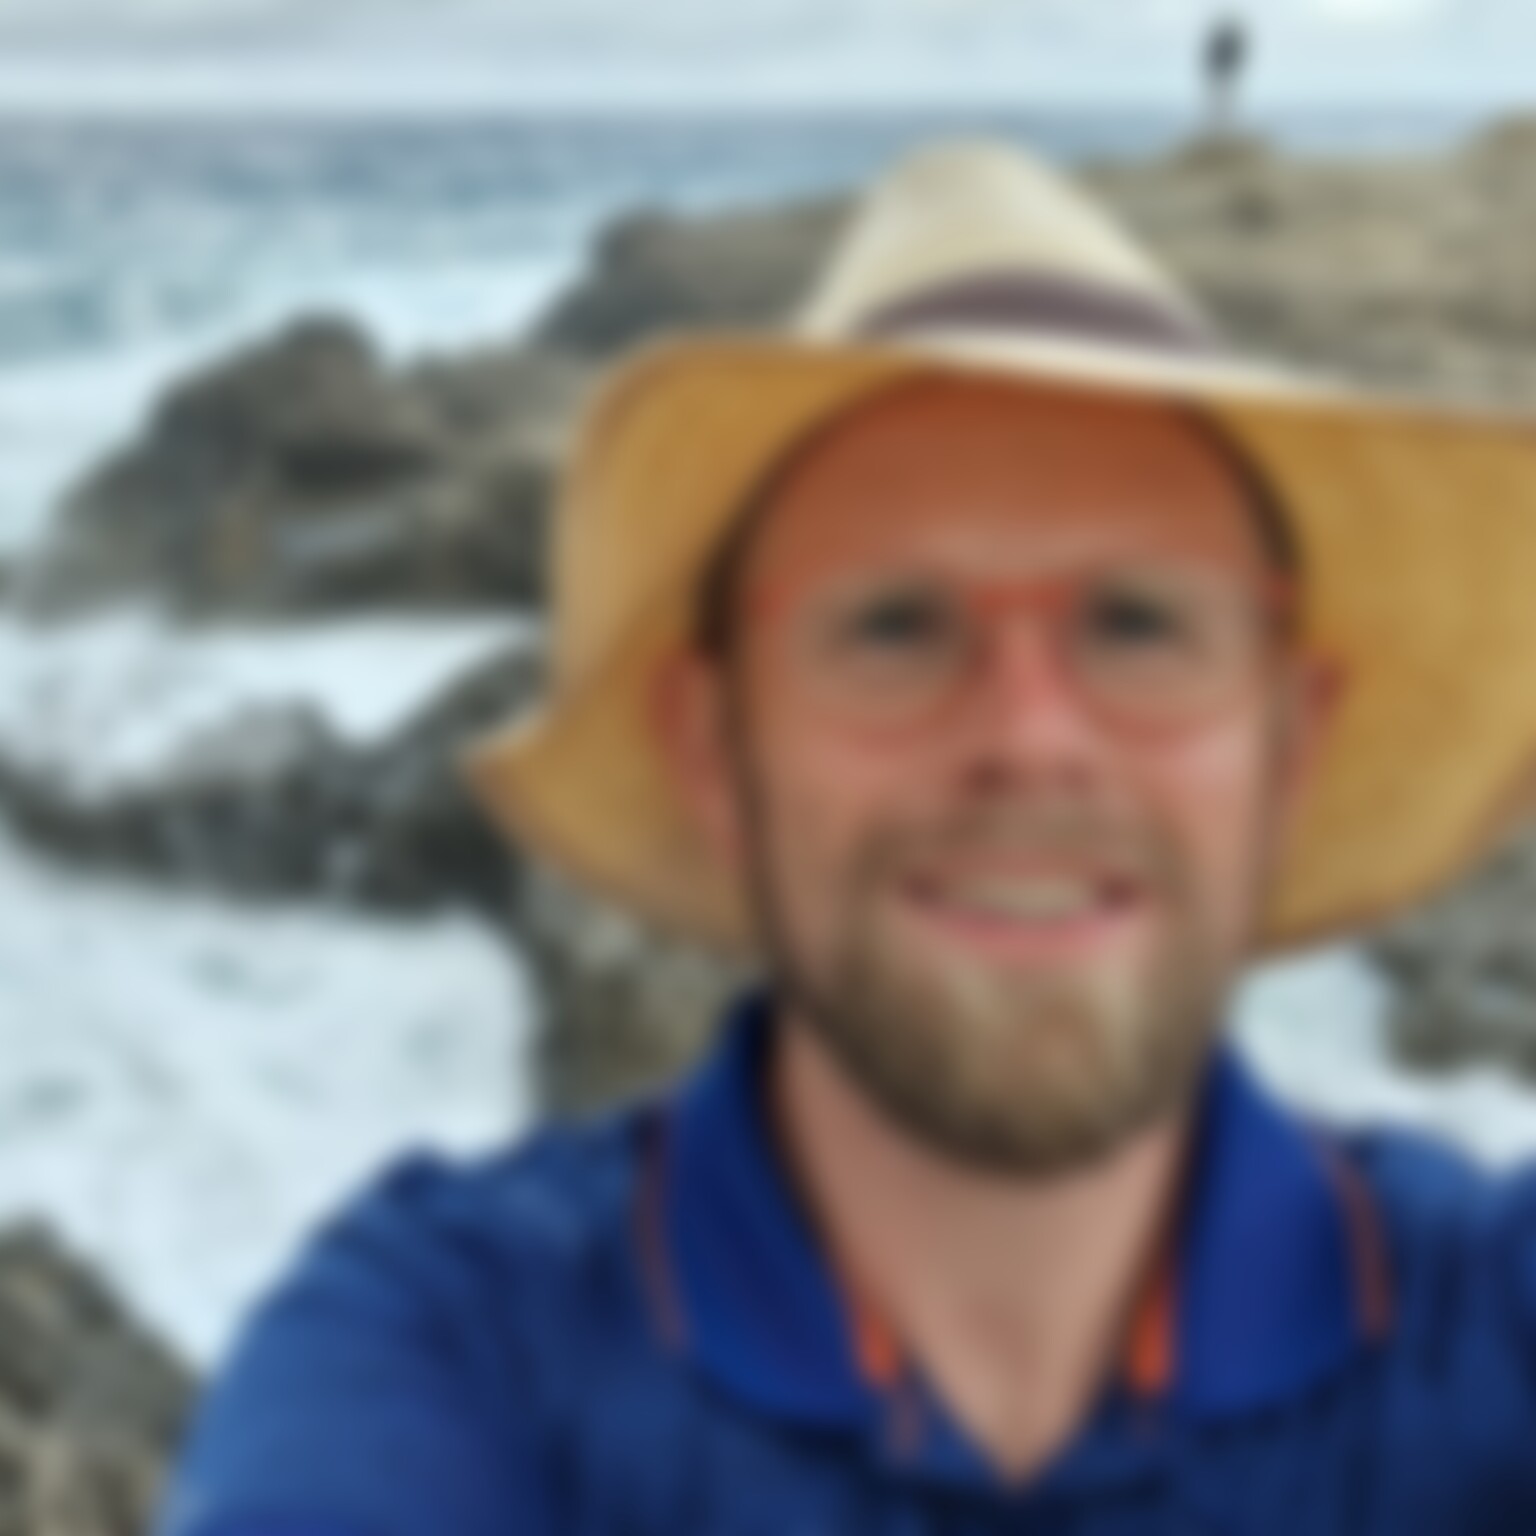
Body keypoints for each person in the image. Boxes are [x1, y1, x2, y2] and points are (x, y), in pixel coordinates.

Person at [158, 140, 1536, 1535]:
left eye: (1138, 622)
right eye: (893, 624)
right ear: (713, 746)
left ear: (1292, 741)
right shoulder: (449, 1351)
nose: (1030, 737)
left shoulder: (1488, 1323)